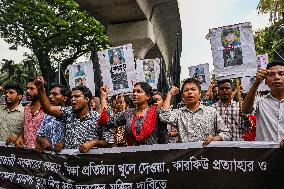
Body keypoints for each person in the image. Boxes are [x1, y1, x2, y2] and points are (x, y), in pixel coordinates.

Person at [34, 76, 113, 153]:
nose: (73, 99)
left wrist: (93, 143)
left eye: (77, 96)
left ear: (86, 99)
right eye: (72, 97)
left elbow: (109, 141)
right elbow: (49, 109)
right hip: (70, 164)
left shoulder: (97, 118)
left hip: (90, 164)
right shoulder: (68, 113)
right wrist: (41, 89)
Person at [159, 78, 231, 146]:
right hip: (185, 157)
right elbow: (164, 116)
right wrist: (169, 94)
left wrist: (214, 139)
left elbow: (226, 133)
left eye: (193, 89)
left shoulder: (211, 112)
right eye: (186, 90)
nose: (190, 92)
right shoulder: (178, 113)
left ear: (200, 94)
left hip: (207, 156)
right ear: (182, 96)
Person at [98, 82, 168, 145]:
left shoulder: (157, 113)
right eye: (133, 91)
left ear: (148, 96)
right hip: (132, 156)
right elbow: (106, 121)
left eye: (139, 91)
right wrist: (103, 97)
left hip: (154, 155)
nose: (134, 94)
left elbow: (163, 139)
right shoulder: (128, 113)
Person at [242, 61, 284, 147]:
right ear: (265, 82)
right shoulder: (259, 102)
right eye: (271, 74)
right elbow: (245, 110)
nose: (276, 77)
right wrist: (256, 83)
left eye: (281, 74)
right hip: (265, 157)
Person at [35, 84, 70, 153]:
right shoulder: (47, 115)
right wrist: (42, 140)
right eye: (50, 94)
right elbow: (39, 136)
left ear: (65, 98)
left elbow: (74, 136)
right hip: (50, 159)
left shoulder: (70, 114)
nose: (50, 97)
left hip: (66, 158)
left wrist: (62, 143)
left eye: (55, 94)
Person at [14, 79, 45, 148]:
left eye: (32, 88)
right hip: (27, 153)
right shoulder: (26, 108)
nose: (27, 91)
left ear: (41, 90)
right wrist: (20, 137)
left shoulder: (47, 110)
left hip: (43, 154)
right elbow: (26, 126)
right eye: (27, 88)